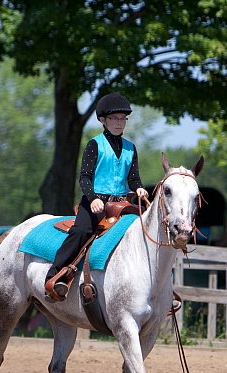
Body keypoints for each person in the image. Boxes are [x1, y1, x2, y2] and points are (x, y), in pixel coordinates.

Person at [44, 92, 149, 301]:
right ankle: (54, 277)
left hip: (122, 204)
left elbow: (134, 178)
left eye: (123, 119)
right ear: (103, 120)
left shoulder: (131, 148)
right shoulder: (95, 144)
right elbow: (84, 177)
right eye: (114, 118)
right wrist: (93, 199)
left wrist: (139, 188)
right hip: (95, 202)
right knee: (81, 231)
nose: (120, 123)